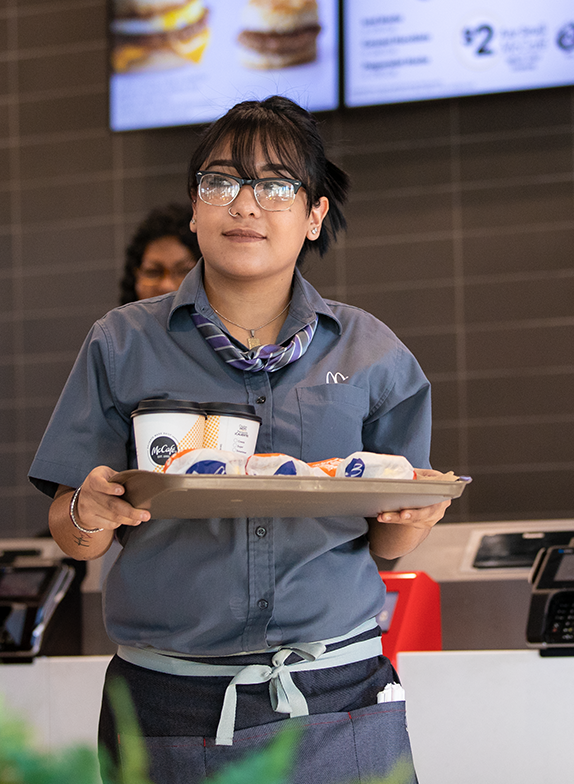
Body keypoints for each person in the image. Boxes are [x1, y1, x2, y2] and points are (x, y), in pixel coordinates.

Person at [29, 96, 449, 784]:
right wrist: (88, 513)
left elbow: (386, 542)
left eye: (276, 185)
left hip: (338, 693)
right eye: (221, 183)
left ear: (314, 215)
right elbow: (74, 535)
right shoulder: (121, 343)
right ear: (195, 210)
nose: (245, 205)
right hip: (167, 701)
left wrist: (413, 517)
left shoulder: (374, 352)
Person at [119, 202, 200, 304]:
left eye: (184, 271)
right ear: (135, 277)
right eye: (153, 272)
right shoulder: (114, 319)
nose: (167, 286)